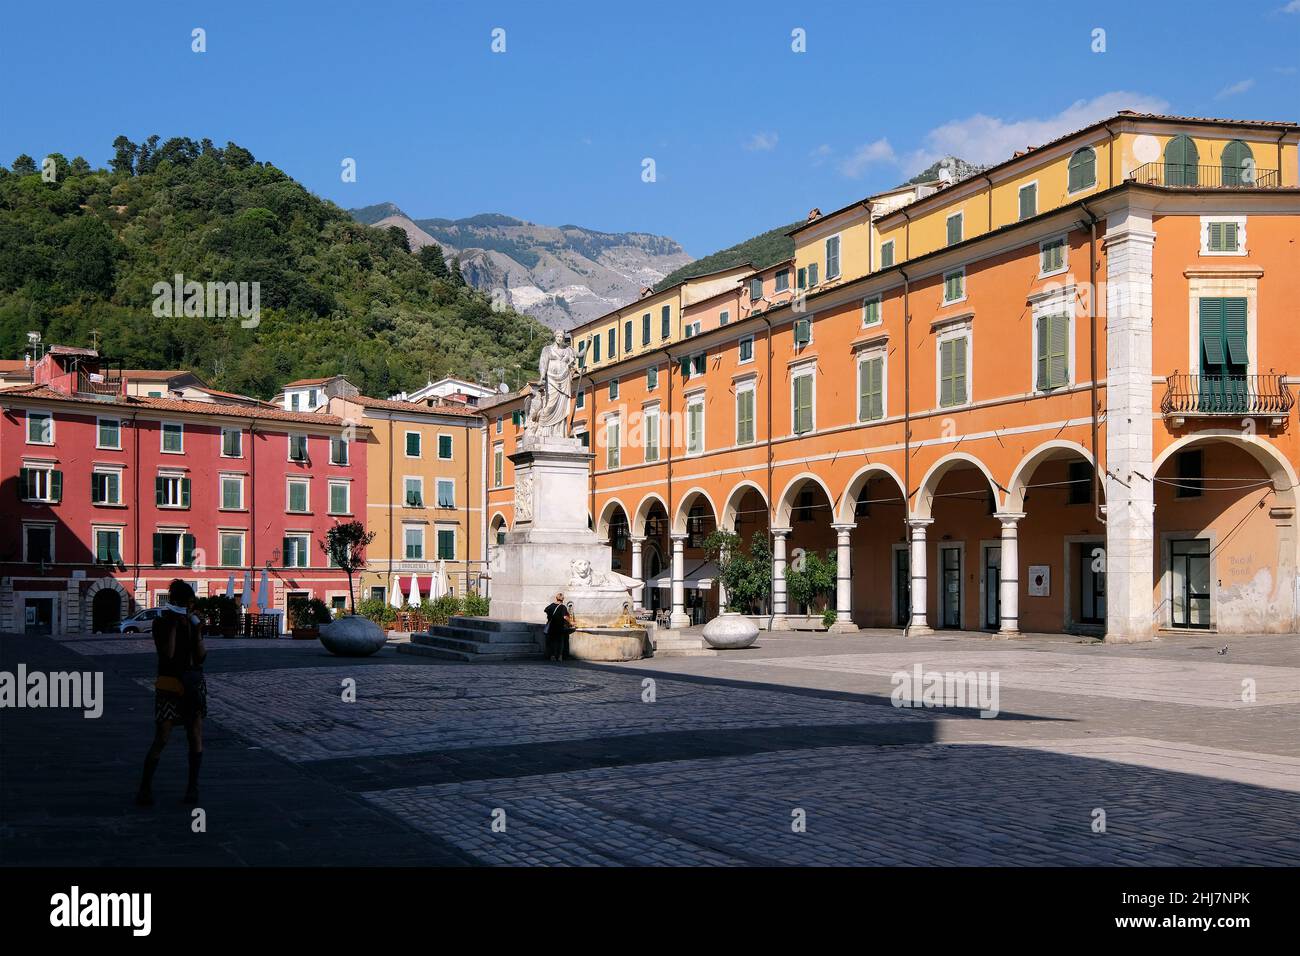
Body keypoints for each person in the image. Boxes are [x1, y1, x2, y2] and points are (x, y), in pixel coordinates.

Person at [136, 580, 208, 806]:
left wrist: (196, 632)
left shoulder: (192, 623)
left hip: (193, 683)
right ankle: (145, 788)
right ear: (175, 603)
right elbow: (167, 654)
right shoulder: (161, 623)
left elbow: (201, 657)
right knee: (163, 736)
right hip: (169, 684)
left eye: (190, 604)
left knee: (194, 734)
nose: (188, 607)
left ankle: (192, 787)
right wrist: (176, 627)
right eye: (185, 603)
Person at [543, 592, 573, 662]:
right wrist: (571, 622)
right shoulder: (563, 607)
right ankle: (560, 656)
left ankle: (552, 656)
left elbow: (545, 610)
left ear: (556, 598)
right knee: (560, 642)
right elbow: (565, 617)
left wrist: (550, 616)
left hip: (552, 627)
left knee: (552, 642)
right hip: (560, 627)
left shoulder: (551, 606)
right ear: (563, 599)